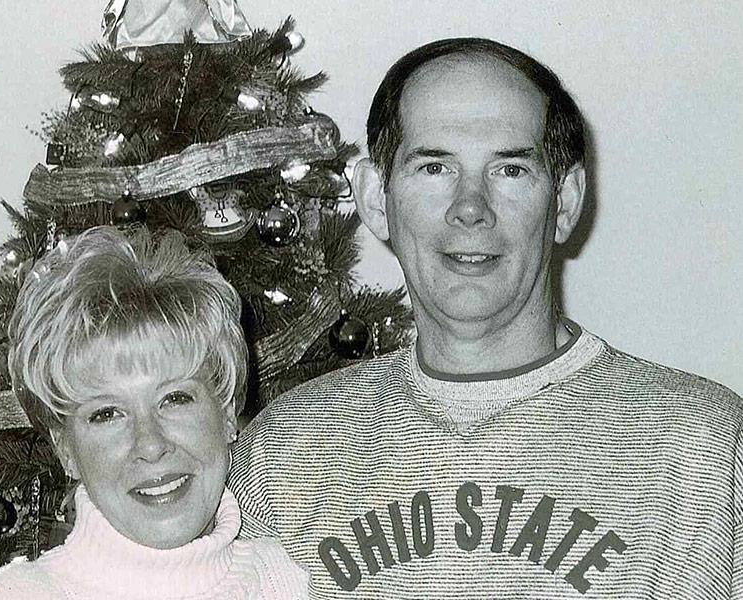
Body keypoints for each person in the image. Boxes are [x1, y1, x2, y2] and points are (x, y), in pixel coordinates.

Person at [226, 38, 743, 598]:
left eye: (510, 170)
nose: (470, 207)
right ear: (377, 200)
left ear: (565, 201)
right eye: (433, 166)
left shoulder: (705, 447)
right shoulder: (282, 452)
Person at [0, 226, 307, 599]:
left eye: (175, 398)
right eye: (107, 413)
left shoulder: (287, 577)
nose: (150, 444)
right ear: (66, 451)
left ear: (225, 413)